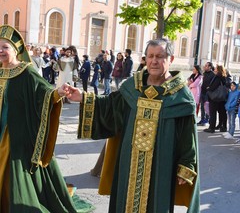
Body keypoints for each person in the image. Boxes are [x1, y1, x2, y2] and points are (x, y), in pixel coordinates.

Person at [63, 38, 200, 213]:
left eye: (160, 56)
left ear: (170, 59)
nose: (154, 61)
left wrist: (187, 163)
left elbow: (187, 135)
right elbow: (110, 106)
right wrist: (83, 97)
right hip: (128, 162)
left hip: (162, 165)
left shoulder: (181, 96)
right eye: (150, 56)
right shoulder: (132, 87)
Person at [0, 24, 94, 212]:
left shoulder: (26, 71)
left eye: (5, 47)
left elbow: (43, 92)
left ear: (16, 50)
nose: (0, 50)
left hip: (15, 135)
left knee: (12, 173)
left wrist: (58, 92)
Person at [204, 64, 228, 133]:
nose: (214, 70)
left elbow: (213, 87)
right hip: (222, 98)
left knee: (213, 113)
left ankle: (212, 128)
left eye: (215, 69)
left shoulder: (217, 77)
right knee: (222, 113)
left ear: (218, 70)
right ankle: (223, 127)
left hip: (215, 98)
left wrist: (209, 88)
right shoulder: (224, 77)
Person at [197, 62, 215, 126]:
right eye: (205, 65)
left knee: (207, 107)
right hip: (202, 92)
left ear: (210, 67)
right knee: (202, 107)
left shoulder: (213, 74)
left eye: (206, 66)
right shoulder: (204, 73)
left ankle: (207, 120)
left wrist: (209, 88)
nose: (205, 67)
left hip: (208, 93)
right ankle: (202, 119)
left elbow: (213, 84)